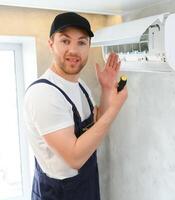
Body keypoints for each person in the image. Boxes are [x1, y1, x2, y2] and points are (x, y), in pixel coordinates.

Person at [23, 12, 127, 200]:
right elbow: (74, 158)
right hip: (59, 193)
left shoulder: (80, 86)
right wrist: (115, 109)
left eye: (81, 42)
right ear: (51, 44)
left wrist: (105, 90)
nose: (73, 50)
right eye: (65, 41)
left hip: (86, 186)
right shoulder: (44, 94)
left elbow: (96, 126)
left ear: (88, 46)